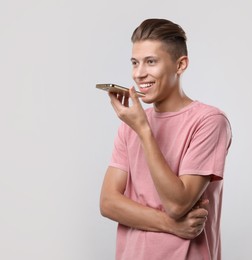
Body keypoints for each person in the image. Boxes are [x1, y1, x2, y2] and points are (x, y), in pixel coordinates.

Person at [99, 18, 232, 260]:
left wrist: (144, 131)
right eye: (135, 63)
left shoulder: (209, 121)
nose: (139, 74)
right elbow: (108, 202)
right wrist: (170, 224)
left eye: (151, 61)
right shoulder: (131, 124)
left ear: (180, 65)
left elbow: (177, 204)